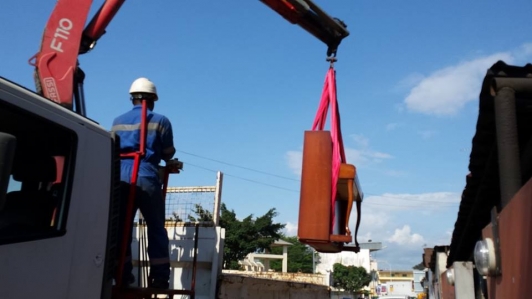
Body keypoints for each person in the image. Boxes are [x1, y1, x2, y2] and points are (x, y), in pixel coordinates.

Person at [111, 77, 176, 289]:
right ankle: (159, 279)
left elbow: (112, 148)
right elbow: (168, 152)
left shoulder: (117, 121)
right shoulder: (161, 121)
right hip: (147, 174)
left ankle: (122, 275)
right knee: (156, 227)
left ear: (132, 98)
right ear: (153, 99)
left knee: (121, 229)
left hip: (120, 176)